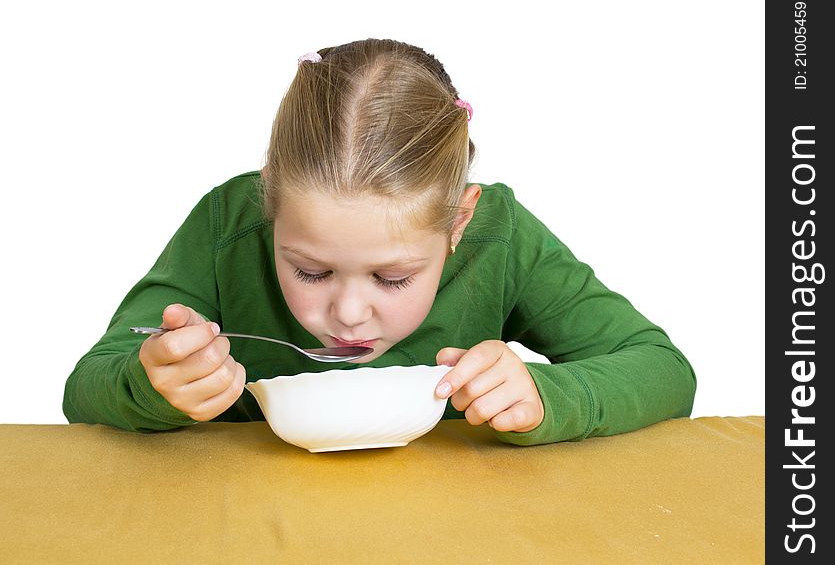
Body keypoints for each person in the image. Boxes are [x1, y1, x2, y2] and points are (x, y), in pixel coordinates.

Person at [63, 38, 696, 445]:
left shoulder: (501, 236)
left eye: (392, 279)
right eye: (310, 271)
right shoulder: (229, 223)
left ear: (458, 225)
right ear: (269, 206)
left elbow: (663, 368)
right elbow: (85, 385)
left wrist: (547, 396)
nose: (347, 314)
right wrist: (153, 385)